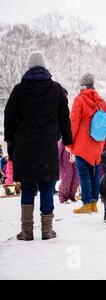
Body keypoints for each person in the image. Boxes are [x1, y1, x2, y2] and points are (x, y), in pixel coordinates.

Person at [4, 51, 72, 241]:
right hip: (47, 145)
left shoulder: (19, 90)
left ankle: (26, 231)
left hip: (24, 146)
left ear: (28, 67)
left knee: (27, 187)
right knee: (47, 186)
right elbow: (64, 119)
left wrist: (10, 142)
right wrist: (67, 141)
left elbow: (9, 119)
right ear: (44, 66)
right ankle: (47, 230)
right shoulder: (56, 89)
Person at [67, 73, 106, 214]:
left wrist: (69, 143)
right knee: (95, 173)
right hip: (97, 144)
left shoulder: (79, 100)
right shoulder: (101, 101)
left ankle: (86, 205)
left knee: (84, 174)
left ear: (82, 85)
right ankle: (94, 203)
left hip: (82, 145)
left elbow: (74, 123)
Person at [57, 139, 79, 204]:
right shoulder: (62, 141)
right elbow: (58, 153)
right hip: (65, 163)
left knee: (76, 179)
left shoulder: (77, 140)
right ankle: (63, 197)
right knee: (66, 180)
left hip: (75, 161)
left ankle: (72, 195)